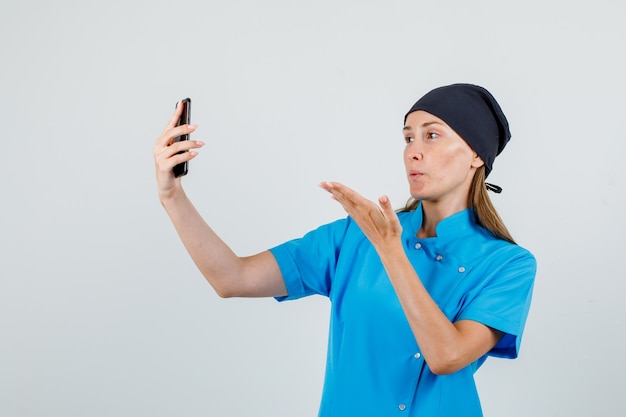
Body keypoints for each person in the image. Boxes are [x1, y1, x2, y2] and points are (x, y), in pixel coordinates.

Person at [152, 83, 536, 417]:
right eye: (408, 137)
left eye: (431, 135)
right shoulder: (356, 235)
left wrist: (390, 250)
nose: (413, 152)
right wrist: (172, 196)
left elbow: (446, 356)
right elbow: (231, 277)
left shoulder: (507, 265)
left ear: (476, 155)